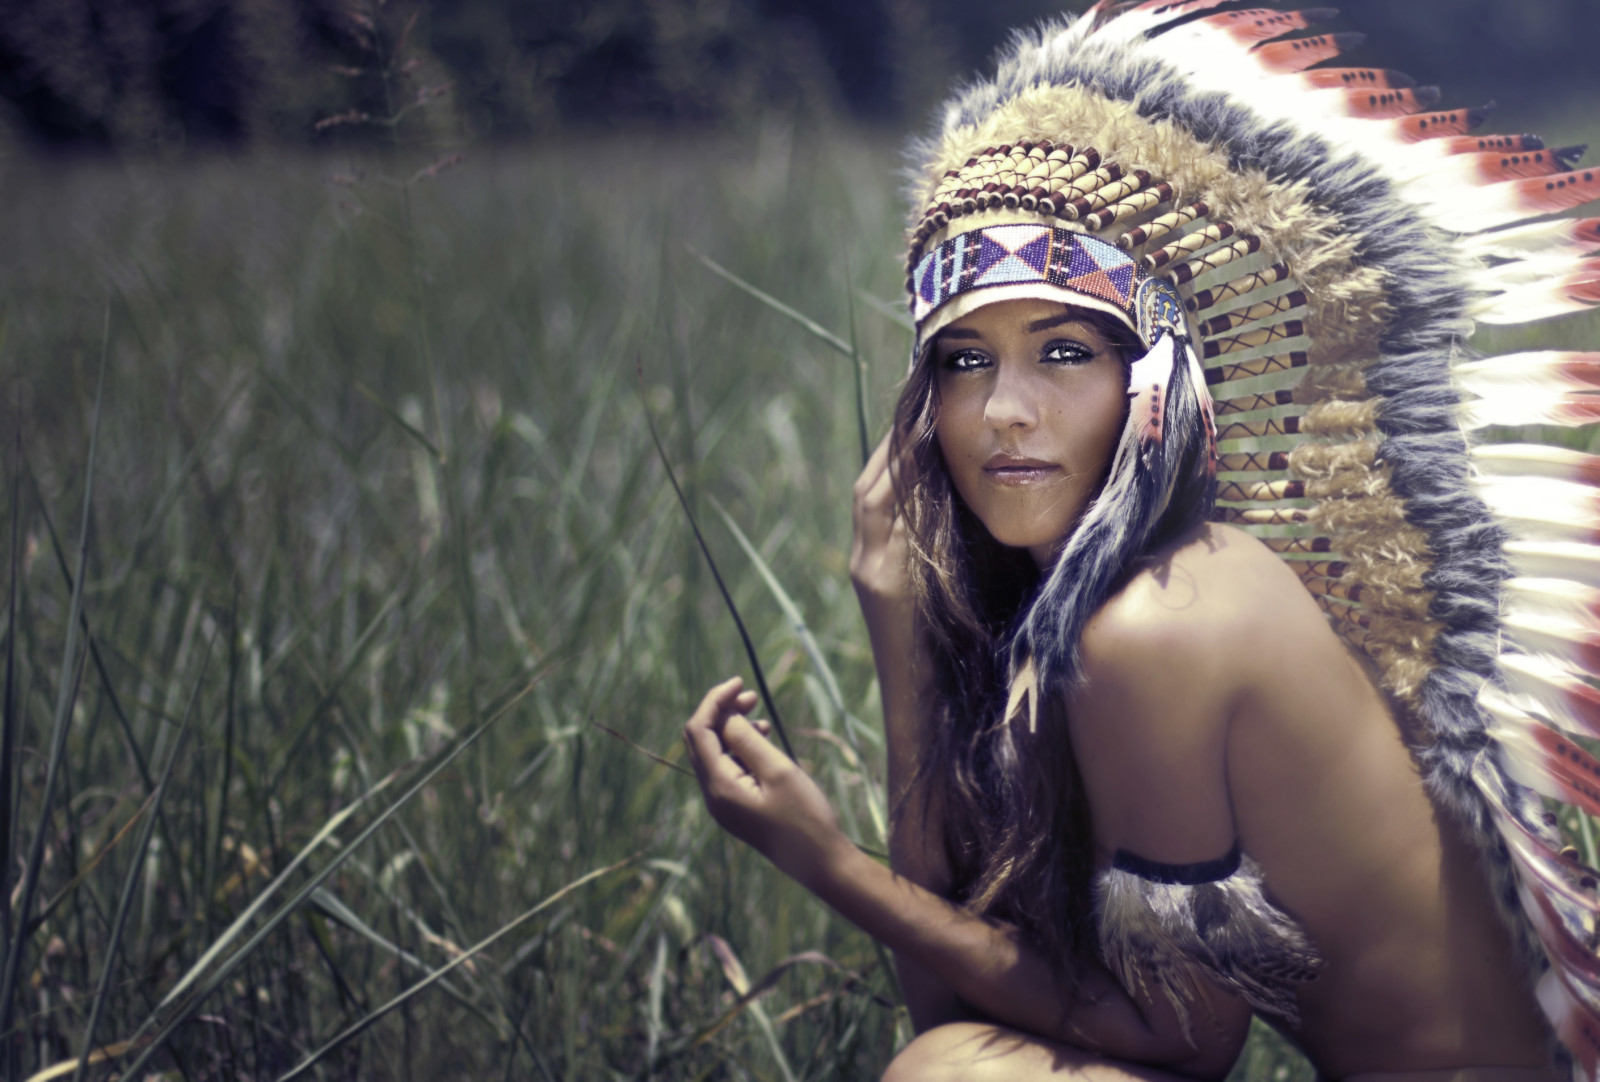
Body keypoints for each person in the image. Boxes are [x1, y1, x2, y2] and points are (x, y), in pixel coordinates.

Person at [683, 3, 1600, 1078]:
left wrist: (826, 859)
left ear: (1150, 387)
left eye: (1063, 352)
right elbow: (950, 993)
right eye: (965, 360)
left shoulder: (1159, 625)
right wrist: (900, 635)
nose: (1004, 412)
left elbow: (1179, 1041)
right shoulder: (1099, 611)